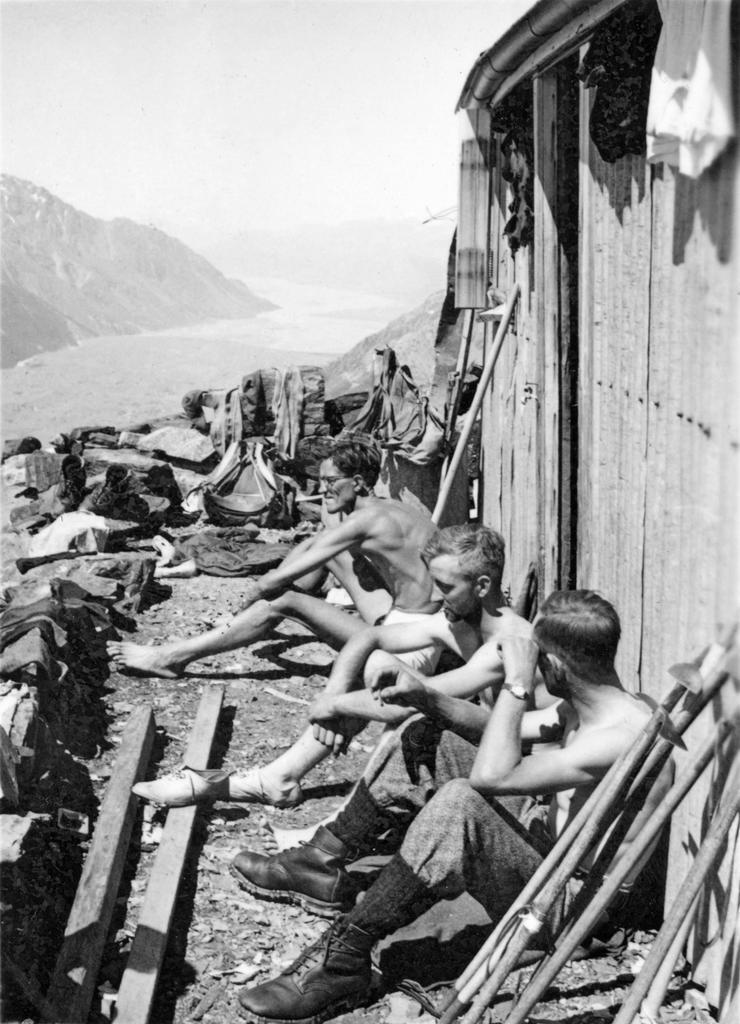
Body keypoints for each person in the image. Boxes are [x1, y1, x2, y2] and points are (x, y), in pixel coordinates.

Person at [233, 590, 671, 1024]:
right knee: (433, 734)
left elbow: (490, 779)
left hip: (569, 896)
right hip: (542, 843)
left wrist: (517, 685)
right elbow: (506, 733)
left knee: (461, 803)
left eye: (538, 661)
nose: (534, 670)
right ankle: (322, 859)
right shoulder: (595, 704)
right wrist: (425, 698)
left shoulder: (620, 737)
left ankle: (343, 960)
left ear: (554, 666)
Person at [110, 435, 443, 805]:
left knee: (288, 603)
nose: (321, 490)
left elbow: (275, 580)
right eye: (320, 481)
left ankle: (278, 777)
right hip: (426, 621)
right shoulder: (396, 511)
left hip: (414, 636)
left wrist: (247, 600)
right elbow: (319, 549)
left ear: (360, 482)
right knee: (316, 566)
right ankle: (177, 658)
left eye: (331, 482)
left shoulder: (366, 520)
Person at [129, 524, 541, 811]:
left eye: (446, 587)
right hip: (487, 735)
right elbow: (369, 637)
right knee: (380, 662)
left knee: (411, 718)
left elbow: (415, 701)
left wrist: (336, 707)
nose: (436, 595)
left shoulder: (509, 640)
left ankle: (297, 794)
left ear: (483, 586)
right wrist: (333, 693)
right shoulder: (458, 621)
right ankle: (281, 779)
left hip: (521, 770)